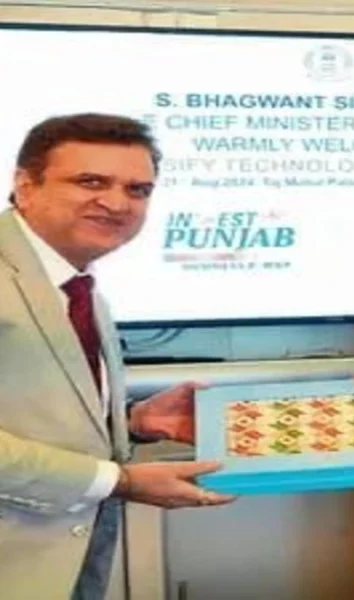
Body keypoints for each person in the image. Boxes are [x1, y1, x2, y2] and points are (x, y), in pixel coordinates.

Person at [0, 113, 235, 600]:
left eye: (137, 190)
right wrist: (118, 481)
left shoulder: (77, 283)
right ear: (25, 185)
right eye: (90, 182)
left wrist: (131, 422)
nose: (116, 203)